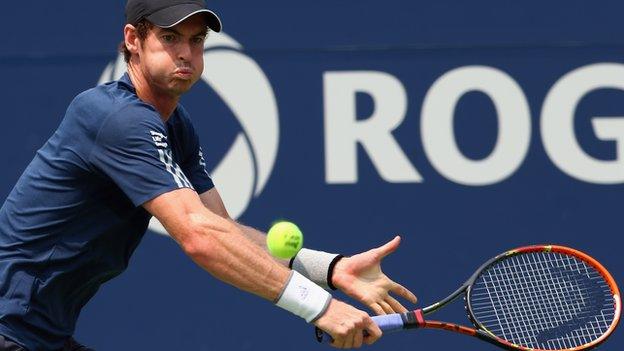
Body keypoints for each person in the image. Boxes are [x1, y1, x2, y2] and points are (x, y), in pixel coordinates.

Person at [0, 1, 417, 350]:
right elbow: (201, 238)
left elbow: (221, 229)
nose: (186, 53)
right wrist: (320, 307)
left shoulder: (175, 126)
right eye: (170, 38)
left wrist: (330, 268)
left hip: (38, 334)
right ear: (133, 41)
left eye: (196, 40)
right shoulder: (114, 118)